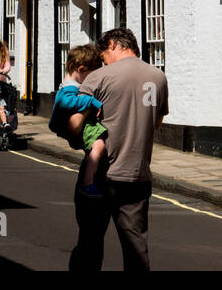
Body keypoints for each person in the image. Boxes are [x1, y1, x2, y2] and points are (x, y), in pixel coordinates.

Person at [69, 27, 168, 272]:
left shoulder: (99, 78)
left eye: (103, 55)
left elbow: (75, 124)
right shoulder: (158, 77)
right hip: (137, 175)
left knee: (89, 245)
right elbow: (156, 122)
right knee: (136, 250)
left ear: (113, 44)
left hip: (101, 174)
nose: (103, 61)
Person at [49, 45, 109, 197]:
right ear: (81, 70)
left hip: (74, 124)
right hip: (71, 124)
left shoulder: (71, 83)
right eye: (92, 75)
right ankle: (88, 183)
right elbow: (67, 102)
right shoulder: (70, 87)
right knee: (99, 145)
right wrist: (91, 101)